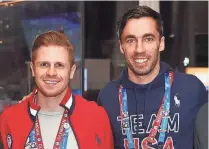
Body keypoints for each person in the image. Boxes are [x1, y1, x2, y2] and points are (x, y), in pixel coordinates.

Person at [97, 6, 208, 149]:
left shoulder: (192, 89)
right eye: (131, 40)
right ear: (121, 46)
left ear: (161, 43)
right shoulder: (107, 96)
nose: (139, 49)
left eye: (148, 39)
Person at [0, 31, 113, 149]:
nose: (51, 73)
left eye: (59, 65)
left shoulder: (96, 117)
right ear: (33, 69)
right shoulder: (10, 118)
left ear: (72, 71)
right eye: (44, 64)